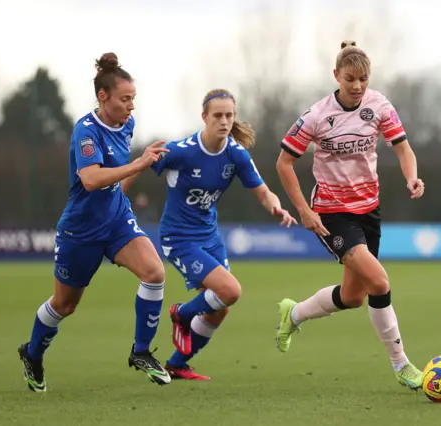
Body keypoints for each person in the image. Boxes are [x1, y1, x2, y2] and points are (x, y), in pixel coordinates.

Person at [274, 40, 426, 390]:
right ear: (336, 76)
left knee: (354, 297)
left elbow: (403, 148)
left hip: (369, 209)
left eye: (363, 79)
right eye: (350, 79)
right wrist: (305, 210)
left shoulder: (379, 105)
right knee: (380, 282)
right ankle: (401, 364)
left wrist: (412, 176)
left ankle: (293, 313)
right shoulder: (316, 116)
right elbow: (284, 163)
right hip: (332, 213)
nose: (357, 86)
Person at [18, 53, 172, 392]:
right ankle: (32, 353)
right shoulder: (85, 131)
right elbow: (90, 179)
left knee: (154, 272)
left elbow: (115, 181)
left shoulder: (126, 125)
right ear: (103, 97)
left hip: (117, 220)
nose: (132, 106)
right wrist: (138, 164)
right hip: (81, 231)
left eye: (134, 99)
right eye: (125, 99)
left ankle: (141, 351)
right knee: (65, 305)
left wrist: (131, 180)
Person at [151, 88, 297, 380]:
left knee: (220, 309)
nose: (224, 121)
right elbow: (138, 167)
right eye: (217, 115)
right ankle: (181, 313)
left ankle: (177, 364)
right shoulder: (182, 151)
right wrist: (116, 200)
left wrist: (277, 208)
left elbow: (263, 192)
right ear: (204, 117)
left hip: (209, 237)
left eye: (229, 115)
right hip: (178, 238)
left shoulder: (236, 154)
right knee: (230, 291)